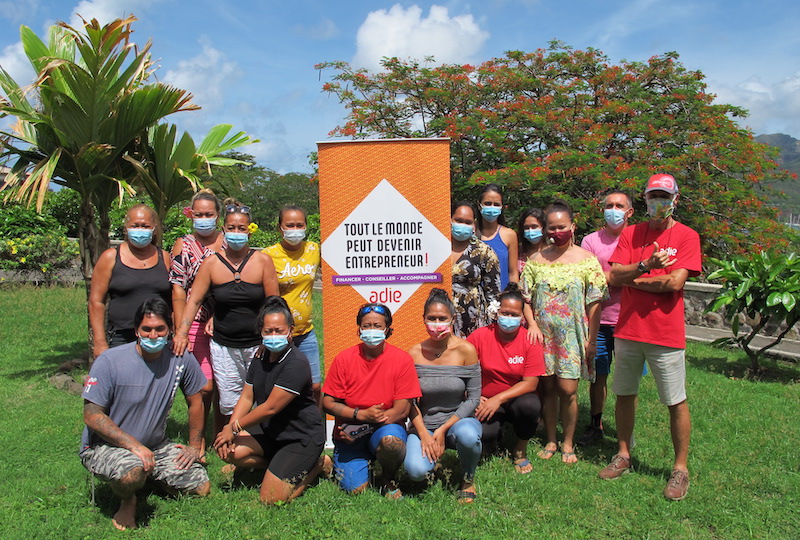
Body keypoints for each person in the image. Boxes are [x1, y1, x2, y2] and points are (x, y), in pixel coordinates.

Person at [599, 174, 701, 502]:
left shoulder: (687, 236)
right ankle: (624, 454)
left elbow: (674, 283)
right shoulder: (632, 233)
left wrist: (635, 279)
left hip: (665, 334)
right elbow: (614, 275)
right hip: (628, 330)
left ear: (676, 199)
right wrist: (646, 265)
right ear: (645, 199)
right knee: (624, 394)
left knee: (675, 400)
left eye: (664, 196)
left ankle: (680, 468)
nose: (659, 202)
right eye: (653, 196)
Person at [80, 298, 209, 531]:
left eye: (160, 329)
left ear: (170, 329)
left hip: (156, 446)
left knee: (200, 487)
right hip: (106, 446)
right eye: (146, 329)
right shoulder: (110, 361)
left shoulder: (180, 359)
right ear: (136, 330)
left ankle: (152, 478)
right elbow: (91, 415)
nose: (153, 336)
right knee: (131, 474)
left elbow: (196, 401)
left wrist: (194, 446)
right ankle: (129, 499)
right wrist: (133, 446)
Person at [173, 200, 279, 428]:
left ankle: (262, 444)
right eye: (231, 228)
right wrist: (182, 333)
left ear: (250, 230)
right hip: (224, 347)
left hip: (257, 346)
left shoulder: (262, 261)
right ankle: (230, 444)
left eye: (241, 228)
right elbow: (194, 301)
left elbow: (273, 304)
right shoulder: (211, 264)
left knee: (263, 397)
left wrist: (272, 338)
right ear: (224, 230)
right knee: (229, 402)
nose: (236, 233)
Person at [213, 296, 327, 505]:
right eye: (268, 331)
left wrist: (235, 427)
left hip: (300, 436)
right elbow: (247, 396)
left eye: (279, 331)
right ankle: (276, 465)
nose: (274, 336)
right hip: (271, 432)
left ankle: (317, 466)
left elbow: (270, 408)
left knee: (271, 500)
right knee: (229, 451)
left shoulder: (296, 363)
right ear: (261, 332)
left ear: (290, 331)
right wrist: (229, 428)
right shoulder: (260, 357)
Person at [521, 201, 608, 464]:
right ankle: (551, 439)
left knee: (568, 390)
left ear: (573, 226)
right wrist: (533, 325)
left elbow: (595, 303)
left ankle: (568, 442)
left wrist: (592, 341)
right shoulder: (536, 261)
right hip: (543, 336)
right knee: (547, 390)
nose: (556, 232)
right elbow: (525, 299)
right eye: (551, 228)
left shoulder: (587, 261)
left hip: (573, 337)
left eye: (562, 227)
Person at [321, 303, 421, 498]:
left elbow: (401, 410)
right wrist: (358, 415)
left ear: (388, 330)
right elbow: (328, 402)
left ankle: (387, 477)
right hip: (348, 436)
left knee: (391, 442)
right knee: (356, 490)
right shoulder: (344, 359)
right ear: (358, 329)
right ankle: (333, 465)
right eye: (366, 326)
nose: (371, 330)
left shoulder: (402, 360)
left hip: (385, 428)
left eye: (377, 326)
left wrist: (364, 426)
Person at [404, 289, 482, 503]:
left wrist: (442, 429)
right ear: (423, 319)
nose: (437, 323)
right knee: (415, 471)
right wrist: (424, 433)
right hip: (425, 424)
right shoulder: (413, 354)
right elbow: (409, 400)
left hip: (458, 422)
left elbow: (473, 399)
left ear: (452, 319)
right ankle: (432, 462)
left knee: (468, 436)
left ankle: (468, 478)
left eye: (442, 318)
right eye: (432, 318)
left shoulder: (466, 350)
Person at [467, 284, 546, 474]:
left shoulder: (530, 340)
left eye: (514, 315)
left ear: (522, 317)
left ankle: (520, 448)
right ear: (496, 312)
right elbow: (464, 370)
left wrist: (499, 399)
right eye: (505, 313)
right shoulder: (480, 336)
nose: (508, 318)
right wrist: (474, 397)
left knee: (530, 407)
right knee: (485, 434)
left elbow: (531, 382)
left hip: (516, 398)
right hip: (485, 398)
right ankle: (494, 439)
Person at [577, 191, 634, 446]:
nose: (614, 210)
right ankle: (595, 423)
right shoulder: (590, 241)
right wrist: (625, 274)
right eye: (609, 205)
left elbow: (642, 275)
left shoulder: (638, 239)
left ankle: (626, 430)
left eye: (619, 206)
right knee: (597, 375)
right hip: (598, 320)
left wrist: (611, 276)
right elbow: (593, 279)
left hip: (629, 319)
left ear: (629, 211)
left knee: (627, 378)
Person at [170, 189, 226, 437]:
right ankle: (198, 435)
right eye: (199, 214)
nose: (204, 218)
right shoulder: (183, 245)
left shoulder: (228, 241)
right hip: (193, 321)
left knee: (223, 384)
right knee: (203, 386)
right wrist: (181, 328)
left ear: (218, 216)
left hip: (225, 319)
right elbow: (178, 289)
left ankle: (219, 435)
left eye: (209, 214)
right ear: (191, 215)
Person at [88, 203, 171, 359]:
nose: (140, 230)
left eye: (145, 226)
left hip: (157, 336)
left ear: (154, 229)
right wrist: (99, 341)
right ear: (126, 228)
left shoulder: (164, 257)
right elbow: (96, 301)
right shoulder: (110, 257)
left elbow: (174, 297)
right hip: (121, 336)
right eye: (135, 225)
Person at [262, 205, 322, 402]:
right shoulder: (268, 255)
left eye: (299, 225)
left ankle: (313, 427)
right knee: (278, 386)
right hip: (278, 333)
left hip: (306, 332)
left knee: (314, 385)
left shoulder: (314, 249)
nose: (295, 229)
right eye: (290, 225)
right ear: (280, 227)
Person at [451, 200, 502, 338]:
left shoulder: (483, 252)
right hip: (440, 320)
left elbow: (493, 292)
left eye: (467, 222)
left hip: (472, 321)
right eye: (458, 220)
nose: (462, 225)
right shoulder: (437, 246)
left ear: (474, 225)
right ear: (450, 220)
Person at [477, 183, 519, 289]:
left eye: (496, 204)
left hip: (502, 299)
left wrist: (514, 296)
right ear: (479, 205)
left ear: (502, 207)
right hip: (475, 301)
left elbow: (513, 273)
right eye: (487, 203)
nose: (492, 208)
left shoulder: (509, 235)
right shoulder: (470, 232)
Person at [517, 207, 546, 275]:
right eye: (526, 227)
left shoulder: (553, 252)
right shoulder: (518, 252)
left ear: (543, 227)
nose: (530, 231)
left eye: (534, 227)